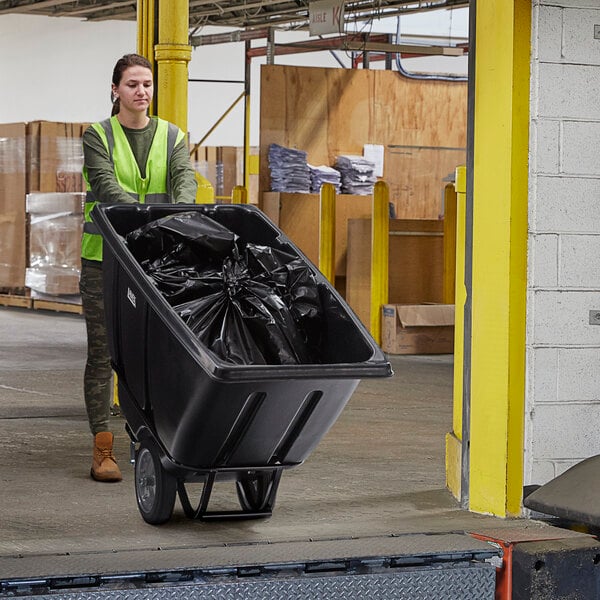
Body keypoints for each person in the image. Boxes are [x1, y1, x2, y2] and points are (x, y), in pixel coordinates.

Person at [80, 53, 197, 482]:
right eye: (132, 84)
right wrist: (152, 221)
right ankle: (101, 448)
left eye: (147, 84)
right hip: (104, 261)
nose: (141, 92)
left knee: (152, 356)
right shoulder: (98, 136)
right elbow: (106, 186)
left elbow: (185, 181)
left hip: (154, 263)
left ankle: (153, 440)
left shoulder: (172, 136)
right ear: (116, 91)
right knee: (103, 353)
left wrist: (174, 217)